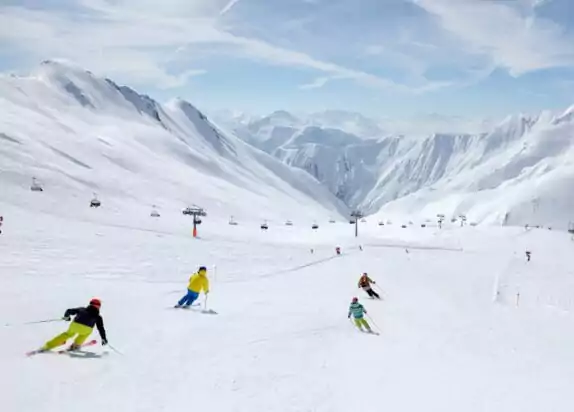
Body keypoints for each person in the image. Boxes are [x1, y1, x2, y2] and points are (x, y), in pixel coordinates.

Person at [40, 298, 108, 352]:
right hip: (86, 329)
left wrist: (67, 317)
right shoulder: (98, 317)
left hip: (75, 326)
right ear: (98, 306)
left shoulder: (82, 309)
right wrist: (103, 338)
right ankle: (76, 345)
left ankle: (49, 345)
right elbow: (100, 328)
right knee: (85, 334)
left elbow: (69, 311)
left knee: (67, 334)